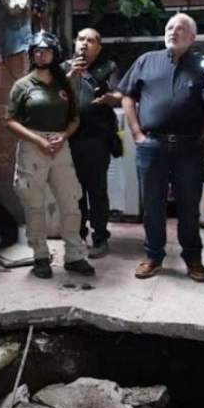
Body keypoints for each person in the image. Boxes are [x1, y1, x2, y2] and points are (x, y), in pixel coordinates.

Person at [119, 13, 204, 282]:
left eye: (181, 28)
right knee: (152, 205)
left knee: (189, 207)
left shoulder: (201, 68)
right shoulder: (146, 61)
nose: (173, 31)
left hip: (188, 147)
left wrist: (201, 136)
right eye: (170, 27)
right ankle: (153, 257)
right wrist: (137, 133)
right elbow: (127, 96)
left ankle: (193, 259)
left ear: (192, 37)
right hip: (152, 145)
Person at [5, 31, 95, 279]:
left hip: (60, 146)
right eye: (37, 51)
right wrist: (38, 140)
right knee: (34, 205)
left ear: (55, 54)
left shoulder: (63, 84)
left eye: (46, 51)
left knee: (71, 202)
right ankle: (41, 257)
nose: (41, 55)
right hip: (32, 147)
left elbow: (74, 119)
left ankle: (74, 256)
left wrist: (64, 136)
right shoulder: (22, 85)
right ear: (31, 55)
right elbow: (10, 121)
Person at [62, 28, 123, 258]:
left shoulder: (108, 67)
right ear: (75, 43)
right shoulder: (63, 68)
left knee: (97, 191)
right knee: (73, 192)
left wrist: (110, 98)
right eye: (81, 39)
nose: (85, 43)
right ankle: (77, 237)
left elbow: (120, 95)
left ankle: (100, 238)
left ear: (98, 47)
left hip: (97, 139)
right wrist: (71, 75)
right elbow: (53, 96)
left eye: (91, 40)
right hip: (69, 139)